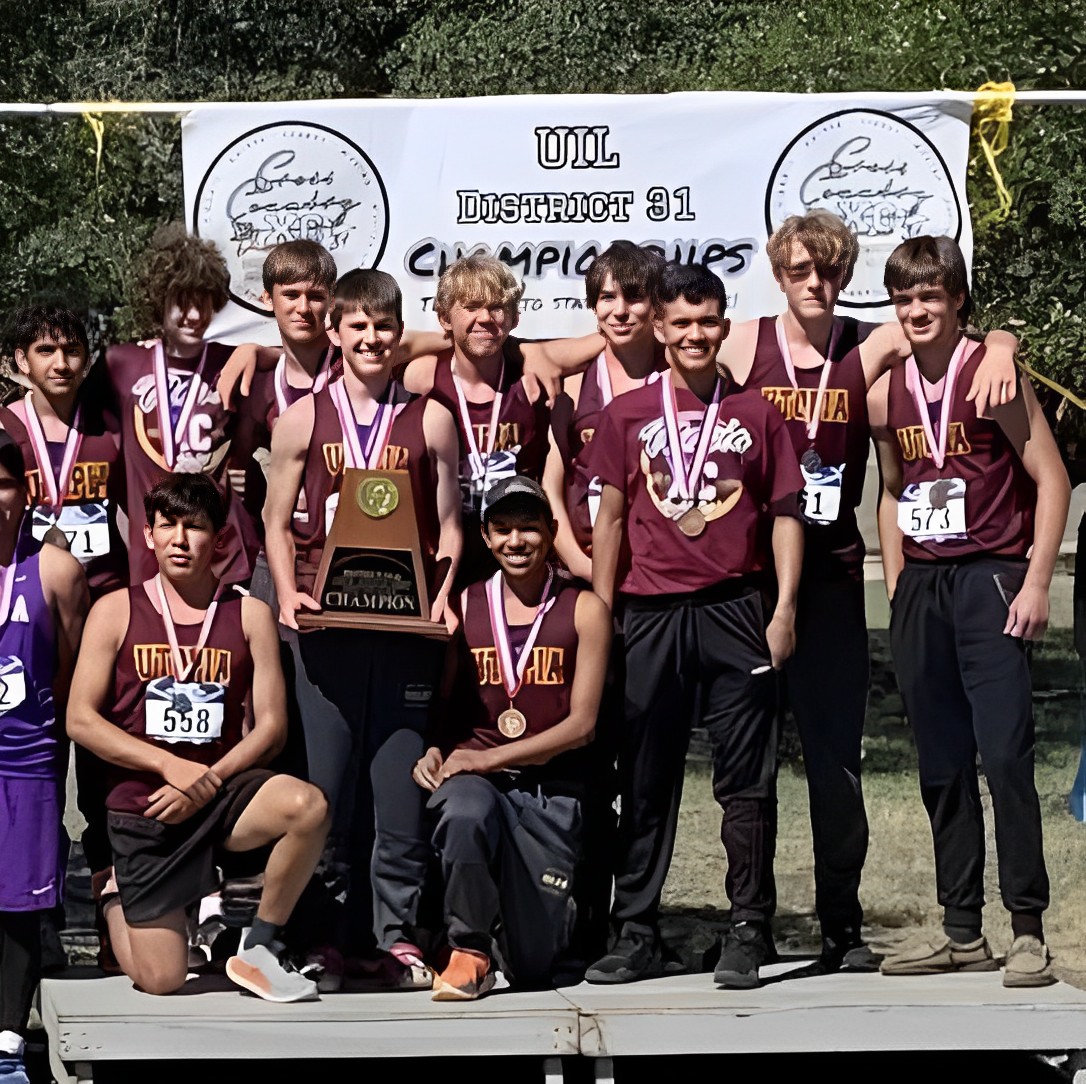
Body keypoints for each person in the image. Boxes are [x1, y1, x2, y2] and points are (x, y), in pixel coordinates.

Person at [717, 211, 1021, 973]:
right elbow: (647, 350)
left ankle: (842, 923)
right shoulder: (739, 345)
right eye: (797, 271)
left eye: (826, 272)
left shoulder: (869, 343)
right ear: (776, 271)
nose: (813, 284)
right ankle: (748, 926)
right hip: (752, 579)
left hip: (833, 573)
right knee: (747, 763)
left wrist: (1009, 341)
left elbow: (961, 331)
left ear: (844, 275)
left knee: (834, 760)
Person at [584, 261, 804, 989]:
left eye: (708, 320)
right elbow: (610, 519)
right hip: (648, 613)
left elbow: (782, 516)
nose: (695, 335)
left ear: (723, 321)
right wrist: (602, 614)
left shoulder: (758, 414)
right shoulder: (627, 415)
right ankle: (636, 928)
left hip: (736, 608)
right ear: (658, 326)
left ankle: (748, 927)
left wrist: (783, 610)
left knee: (747, 781)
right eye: (680, 323)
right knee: (645, 778)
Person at [870, 236, 1070, 988]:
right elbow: (891, 491)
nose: (917, 310)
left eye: (931, 297)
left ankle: (1027, 930)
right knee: (941, 766)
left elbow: (1050, 479)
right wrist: (897, 581)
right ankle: (961, 931)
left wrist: (1037, 580)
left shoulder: (993, 374)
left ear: (957, 301)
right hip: (924, 585)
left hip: (990, 577)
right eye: (904, 299)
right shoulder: (887, 391)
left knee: (1007, 758)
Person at [263, 268, 461, 974]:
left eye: (383, 327)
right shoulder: (303, 418)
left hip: (404, 632)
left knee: (397, 789)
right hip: (327, 628)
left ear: (397, 332)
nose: (372, 339)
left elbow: (448, 523)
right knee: (328, 792)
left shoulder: (430, 417)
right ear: (336, 333)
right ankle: (326, 938)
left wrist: (441, 593)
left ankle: (398, 937)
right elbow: (275, 521)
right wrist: (287, 594)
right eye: (358, 327)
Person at [66, 472, 330, 1001]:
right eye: (168, 526)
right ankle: (115, 893)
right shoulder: (115, 609)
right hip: (147, 809)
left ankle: (258, 947)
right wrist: (172, 769)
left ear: (221, 537)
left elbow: (273, 727)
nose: (180, 540)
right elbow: (80, 720)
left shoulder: (250, 614)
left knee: (307, 805)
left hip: (217, 794)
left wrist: (207, 779)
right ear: (148, 534)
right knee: (162, 981)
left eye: (196, 527)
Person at [412, 475, 610, 1000]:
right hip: (479, 781)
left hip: (551, 790)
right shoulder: (467, 604)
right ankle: (468, 949)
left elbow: (583, 725)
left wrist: (488, 759)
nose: (515, 542)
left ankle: (508, 938)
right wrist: (435, 750)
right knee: (463, 811)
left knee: (534, 967)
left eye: (528, 528)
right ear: (485, 536)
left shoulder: (584, 607)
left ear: (551, 531)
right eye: (502, 530)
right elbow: (448, 709)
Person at [0, 307, 126, 920]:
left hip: (101, 614)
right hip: (26, 619)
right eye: (45, 350)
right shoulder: (5, 432)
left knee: (101, 765)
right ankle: (34, 914)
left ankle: (108, 899)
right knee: (35, 769)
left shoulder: (110, 431)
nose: (61, 363)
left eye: (72, 349)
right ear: (20, 361)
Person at [0, 433, 87, 1083]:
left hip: (28, 758)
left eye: (3, 484)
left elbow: (71, 666)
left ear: (24, 492)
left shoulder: (54, 569)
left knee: (19, 908)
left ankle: (7, 1046)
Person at [105, 223, 259, 587]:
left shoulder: (236, 363)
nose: (193, 315)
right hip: (151, 555)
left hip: (223, 557)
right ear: (160, 300)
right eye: (181, 303)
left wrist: (259, 349)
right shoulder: (120, 364)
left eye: (202, 302)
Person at [403, 255, 552, 586]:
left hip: (513, 555)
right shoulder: (422, 377)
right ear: (444, 317)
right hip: (440, 553)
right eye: (471, 306)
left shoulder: (531, 385)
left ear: (514, 318)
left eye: (497, 307)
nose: (485, 317)